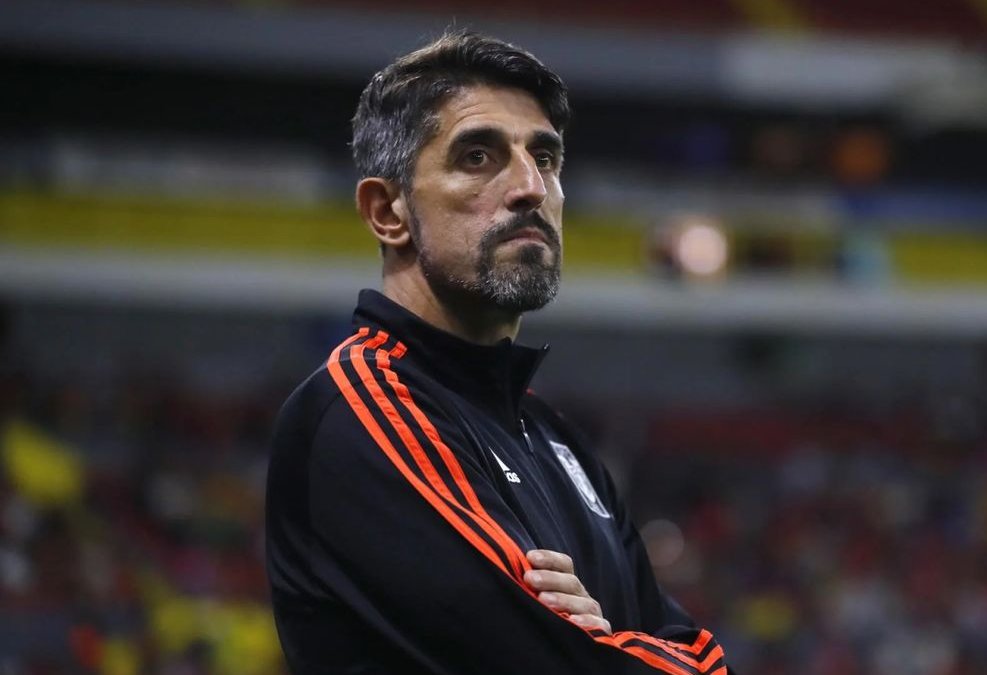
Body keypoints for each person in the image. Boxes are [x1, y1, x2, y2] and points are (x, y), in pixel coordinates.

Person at [265, 31, 731, 674]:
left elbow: (661, 642)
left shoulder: (557, 439)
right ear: (387, 211)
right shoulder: (359, 410)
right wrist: (596, 641)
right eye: (478, 156)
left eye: (545, 158)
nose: (531, 187)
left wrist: (601, 640)